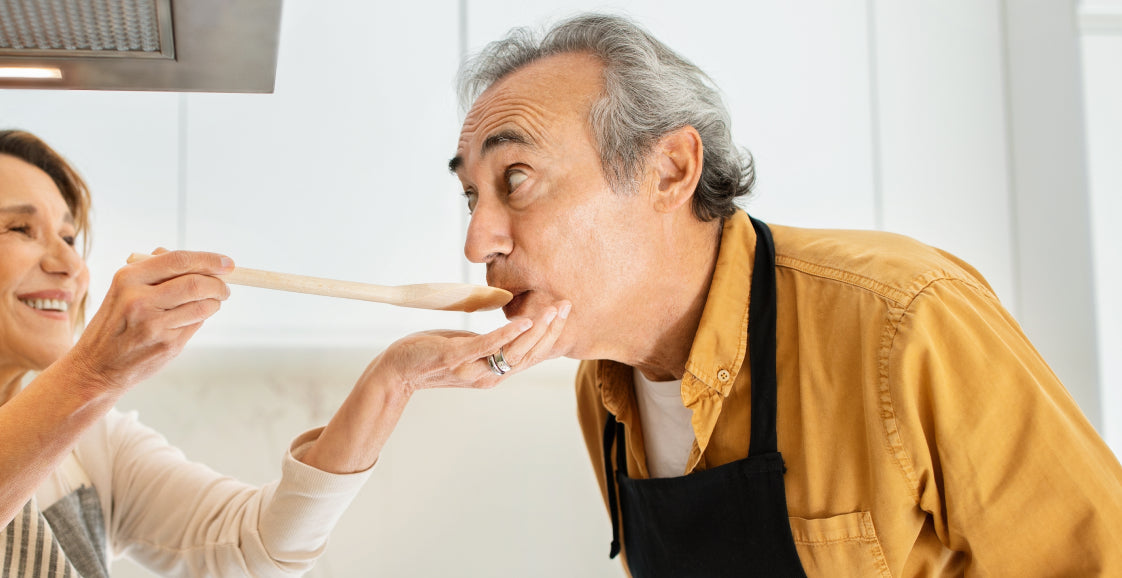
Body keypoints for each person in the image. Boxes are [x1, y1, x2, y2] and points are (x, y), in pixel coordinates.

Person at [449, 13, 1122, 577]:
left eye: (516, 178)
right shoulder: (603, 393)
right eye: (471, 194)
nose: (478, 242)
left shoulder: (902, 318)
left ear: (670, 170)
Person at [0, 129, 570, 578]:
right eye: (21, 229)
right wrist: (90, 373)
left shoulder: (88, 434)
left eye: (72, 237)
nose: (70, 265)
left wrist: (392, 382)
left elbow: (254, 546)